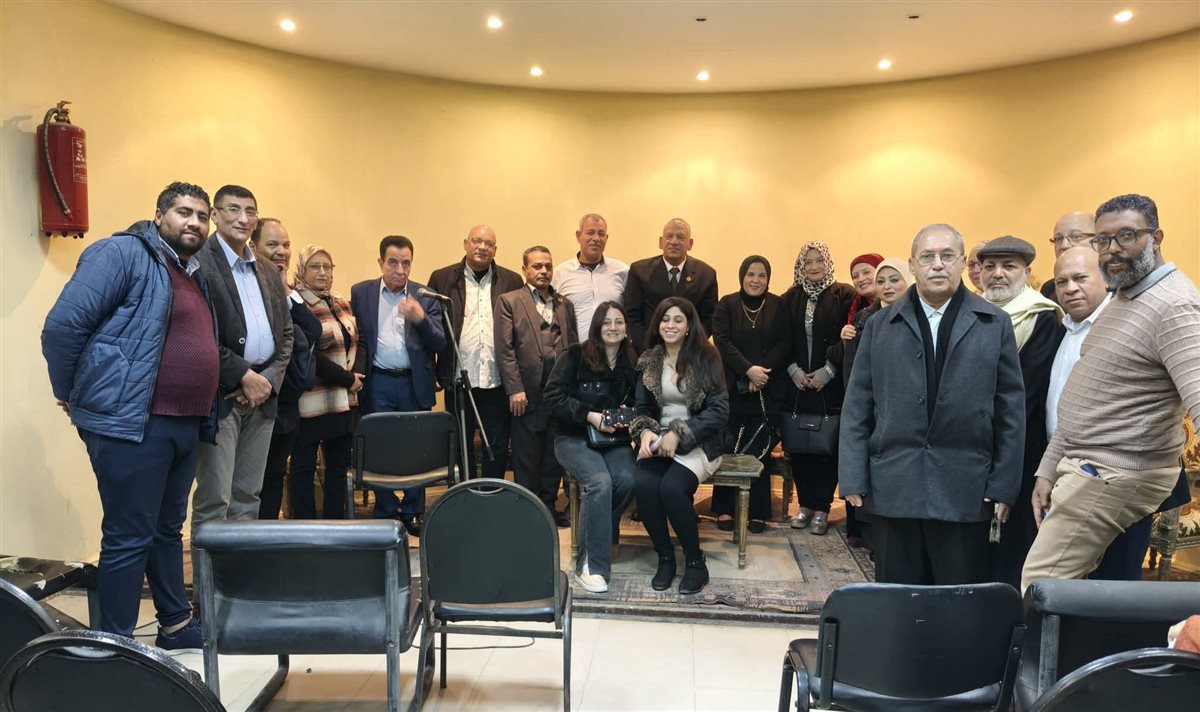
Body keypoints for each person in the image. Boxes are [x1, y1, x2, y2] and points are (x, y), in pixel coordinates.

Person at [42, 181, 219, 648]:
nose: (194, 223)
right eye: (184, 212)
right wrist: (71, 392)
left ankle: (174, 626)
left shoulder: (191, 271)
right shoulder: (121, 253)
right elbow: (62, 327)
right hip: (133, 421)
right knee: (129, 534)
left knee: (166, 530)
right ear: (159, 216)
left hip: (184, 421)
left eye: (202, 216)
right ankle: (112, 644)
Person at [1023, 194, 1200, 590]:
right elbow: (1086, 399)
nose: (1113, 249)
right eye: (1102, 240)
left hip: (1114, 473)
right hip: (1086, 466)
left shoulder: (1173, 306)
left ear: (1156, 237)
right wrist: (1048, 469)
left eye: (1127, 236)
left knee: (1041, 587)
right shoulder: (1123, 297)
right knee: (1075, 592)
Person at [840, 223, 1025, 585]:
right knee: (898, 597)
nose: (937, 264)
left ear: (962, 263)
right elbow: (858, 404)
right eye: (927, 257)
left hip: (966, 487)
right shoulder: (880, 326)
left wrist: (1004, 485)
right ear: (913, 265)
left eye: (947, 256)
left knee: (958, 598)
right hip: (895, 483)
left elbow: (1010, 412)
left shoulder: (993, 324)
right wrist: (851, 475)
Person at [192, 185, 293, 541]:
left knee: (248, 495)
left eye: (250, 211)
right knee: (215, 498)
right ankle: (210, 576)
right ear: (215, 215)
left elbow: (286, 334)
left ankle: (240, 572)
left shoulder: (266, 268)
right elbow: (198, 333)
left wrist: (267, 381)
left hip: (263, 397)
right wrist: (242, 376)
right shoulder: (199, 263)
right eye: (233, 209)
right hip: (222, 396)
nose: (243, 218)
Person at [977, 236, 1063, 587]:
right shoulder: (972, 311)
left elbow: (1026, 390)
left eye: (1008, 266)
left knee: (1011, 540)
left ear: (1026, 272)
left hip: (1019, 443)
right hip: (972, 445)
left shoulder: (1041, 317)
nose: (997, 274)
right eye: (990, 266)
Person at [631, 297, 729, 594]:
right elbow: (641, 408)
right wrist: (645, 433)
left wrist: (679, 433)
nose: (670, 325)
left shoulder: (706, 356)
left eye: (678, 320)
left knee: (672, 489)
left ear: (689, 326)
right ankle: (665, 558)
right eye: (665, 319)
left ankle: (696, 563)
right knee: (644, 485)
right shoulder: (649, 359)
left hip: (701, 441)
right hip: (658, 439)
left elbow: (719, 411)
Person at [351, 235, 446, 535]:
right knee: (382, 446)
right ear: (380, 262)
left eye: (406, 263)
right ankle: (386, 509)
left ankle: (414, 510)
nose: (400, 270)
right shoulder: (361, 292)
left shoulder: (425, 295)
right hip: (378, 380)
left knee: (416, 448)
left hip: (413, 382)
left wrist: (421, 318)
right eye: (393, 262)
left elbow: (440, 341)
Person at [544, 301, 639, 593]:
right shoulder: (575, 354)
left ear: (626, 328)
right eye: (606, 322)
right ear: (597, 326)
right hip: (573, 438)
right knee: (600, 482)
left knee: (628, 478)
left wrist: (628, 414)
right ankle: (591, 565)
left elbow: (640, 402)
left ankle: (602, 534)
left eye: (619, 322)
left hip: (614, 439)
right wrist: (590, 415)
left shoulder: (631, 361)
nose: (613, 327)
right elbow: (552, 397)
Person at [426, 225, 524, 479]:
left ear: (495, 250)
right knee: (459, 445)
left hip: (497, 379)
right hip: (458, 379)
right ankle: (464, 495)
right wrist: (433, 371)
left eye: (489, 244)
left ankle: (492, 494)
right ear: (465, 243)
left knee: (498, 444)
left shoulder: (512, 281)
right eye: (477, 241)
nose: (482, 247)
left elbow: (520, 332)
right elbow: (431, 328)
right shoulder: (442, 278)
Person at [496, 246, 579, 524]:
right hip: (527, 392)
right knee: (527, 454)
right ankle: (527, 510)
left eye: (548, 266)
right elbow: (505, 350)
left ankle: (547, 507)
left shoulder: (564, 304)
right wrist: (514, 389)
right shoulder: (509, 301)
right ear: (524, 270)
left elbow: (573, 346)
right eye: (537, 266)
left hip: (559, 393)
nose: (543, 271)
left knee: (553, 454)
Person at [711, 256, 791, 533]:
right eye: (751, 274)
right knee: (729, 446)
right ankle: (724, 508)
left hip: (766, 388)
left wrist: (761, 373)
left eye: (762, 275)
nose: (756, 280)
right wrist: (747, 370)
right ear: (742, 276)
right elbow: (722, 341)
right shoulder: (727, 304)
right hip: (733, 387)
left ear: (768, 279)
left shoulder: (779, 305)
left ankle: (758, 511)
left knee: (760, 449)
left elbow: (785, 342)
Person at [782, 242, 855, 535]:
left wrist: (829, 370)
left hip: (831, 385)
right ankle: (804, 505)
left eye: (819, 261)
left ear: (828, 263)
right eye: (808, 262)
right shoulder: (790, 297)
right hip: (798, 384)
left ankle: (822, 508)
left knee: (827, 447)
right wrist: (793, 370)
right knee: (800, 446)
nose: (814, 267)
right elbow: (780, 338)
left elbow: (850, 336)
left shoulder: (845, 295)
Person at [839, 257, 911, 548]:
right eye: (881, 281)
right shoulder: (866, 318)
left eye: (894, 280)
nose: (886, 286)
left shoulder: (919, 317)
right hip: (871, 406)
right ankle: (871, 538)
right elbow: (856, 370)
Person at [252, 219, 320, 520]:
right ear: (253, 247)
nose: (281, 251)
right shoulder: (248, 288)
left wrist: (285, 289)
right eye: (272, 244)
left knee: (274, 475)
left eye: (286, 245)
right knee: (249, 478)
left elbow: (314, 330)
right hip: (255, 398)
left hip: (287, 403)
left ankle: (268, 536)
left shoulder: (289, 292)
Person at [291, 246, 363, 519]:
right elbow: (308, 353)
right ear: (301, 270)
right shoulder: (297, 303)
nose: (322, 272)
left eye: (327, 267)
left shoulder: (340, 301)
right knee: (303, 468)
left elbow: (358, 341)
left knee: (338, 467)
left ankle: (335, 525)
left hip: (342, 401)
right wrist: (347, 379)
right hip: (310, 401)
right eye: (314, 266)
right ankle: (306, 528)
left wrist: (356, 374)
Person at [624, 218, 719, 350]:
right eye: (669, 236)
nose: (674, 242)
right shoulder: (639, 271)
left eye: (680, 237)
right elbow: (632, 315)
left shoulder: (706, 274)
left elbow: (709, 318)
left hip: (689, 351)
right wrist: (649, 348)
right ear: (661, 242)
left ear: (690, 244)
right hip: (647, 349)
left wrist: (689, 347)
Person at [552, 213, 629, 342]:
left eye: (601, 234)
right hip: (575, 350)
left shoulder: (622, 271)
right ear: (578, 236)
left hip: (614, 349)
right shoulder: (560, 273)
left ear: (606, 238)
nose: (596, 238)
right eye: (590, 233)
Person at [1041, 211, 1096, 302]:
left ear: (1099, 240)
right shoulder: (1050, 290)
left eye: (1076, 237)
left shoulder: (1117, 287)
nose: (1064, 245)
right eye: (1058, 239)